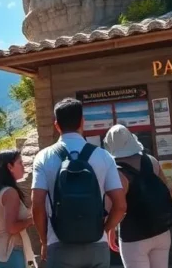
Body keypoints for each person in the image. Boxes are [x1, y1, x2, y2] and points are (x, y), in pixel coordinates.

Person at [31, 97, 127, 268]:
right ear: (83, 122)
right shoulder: (103, 157)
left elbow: (37, 205)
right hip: (97, 244)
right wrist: (103, 230)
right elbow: (120, 206)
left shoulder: (43, 158)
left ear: (56, 125)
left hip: (59, 243)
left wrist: (44, 241)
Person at [103, 124, 172, 268]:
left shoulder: (116, 173)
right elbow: (170, 195)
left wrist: (108, 230)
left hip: (134, 236)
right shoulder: (152, 161)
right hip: (161, 231)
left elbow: (114, 208)